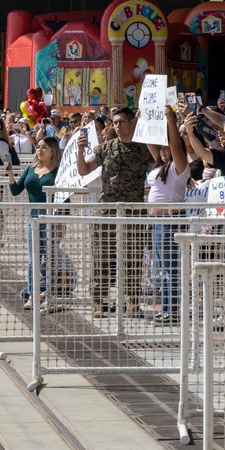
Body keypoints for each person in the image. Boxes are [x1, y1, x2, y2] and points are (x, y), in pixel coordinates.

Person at [76, 108, 156, 317]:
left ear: (132, 123)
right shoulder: (105, 148)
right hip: (106, 210)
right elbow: (85, 170)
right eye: (115, 122)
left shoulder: (143, 150)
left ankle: (132, 302)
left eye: (122, 122)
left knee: (132, 258)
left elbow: (158, 170)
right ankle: (99, 302)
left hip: (132, 211)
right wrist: (79, 151)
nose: (117, 126)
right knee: (101, 257)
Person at [3, 136, 61, 312]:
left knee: (47, 258)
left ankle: (47, 294)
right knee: (33, 258)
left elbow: (64, 197)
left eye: (44, 147)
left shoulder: (58, 171)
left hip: (51, 216)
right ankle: (32, 295)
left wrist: (62, 222)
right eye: (38, 147)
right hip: (33, 216)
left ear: (52, 151)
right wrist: (10, 174)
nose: (40, 150)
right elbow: (15, 191)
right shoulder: (30, 169)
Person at [144, 107, 190, 326]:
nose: (163, 151)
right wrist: (145, 117)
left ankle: (173, 310)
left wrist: (170, 118)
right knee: (162, 269)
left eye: (166, 148)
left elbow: (174, 145)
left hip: (171, 221)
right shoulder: (160, 166)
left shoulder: (178, 167)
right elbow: (149, 142)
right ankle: (168, 307)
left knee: (170, 268)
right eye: (160, 148)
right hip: (158, 223)